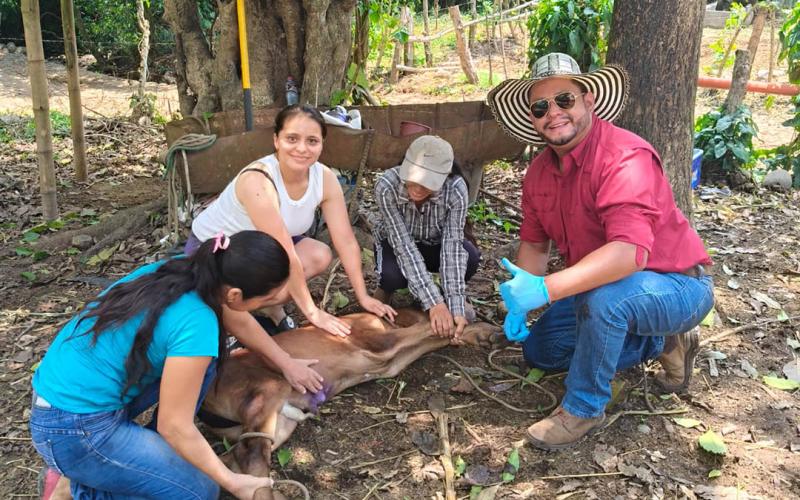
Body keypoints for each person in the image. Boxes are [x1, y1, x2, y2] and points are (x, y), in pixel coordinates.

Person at [486, 53, 715, 450]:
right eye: (540, 107)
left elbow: (629, 255)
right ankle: (663, 343)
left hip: (677, 285)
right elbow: (536, 245)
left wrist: (546, 290)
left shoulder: (625, 156)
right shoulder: (539, 173)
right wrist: (522, 297)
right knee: (541, 350)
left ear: (588, 100)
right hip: (601, 289)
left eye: (564, 100)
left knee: (606, 301)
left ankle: (584, 407)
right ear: (532, 118)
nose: (553, 113)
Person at [30, 231, 294, 499]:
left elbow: (236, 319)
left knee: (208, 360)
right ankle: (78, 488)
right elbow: (174, 426)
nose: (271, 303)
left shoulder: (188, 270)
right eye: (267, 300)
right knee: (199, 492)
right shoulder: (198, 322)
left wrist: (287, 363)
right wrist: (233, 481)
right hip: (74, 428)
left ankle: (133, 463)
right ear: (235, 295)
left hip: (61, 397)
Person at [188, 104, 395, 338]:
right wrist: (313, 313)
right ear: (276, 140)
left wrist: (363, 296)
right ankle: (232, 317)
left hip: (259, 253)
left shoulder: (324, 178)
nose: (302, 149)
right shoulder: (259, 181)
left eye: (312, 141)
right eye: (292, 139)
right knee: (226, 310)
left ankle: (268, 306)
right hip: (217, 253)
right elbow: (287, 253)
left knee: (320, 254)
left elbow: (346, 241)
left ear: (322, 145)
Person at [372, 135, 481, 339]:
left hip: (435, 244)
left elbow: (451, 247)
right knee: (391, 274)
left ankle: (448, 296)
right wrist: (434, 303)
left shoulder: (456, 189)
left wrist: (455, 304)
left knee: (470, 257)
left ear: (444, 176)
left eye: (428, 183)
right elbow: (403, 246)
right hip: (397, 244)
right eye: (414, 178)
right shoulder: (387, 185)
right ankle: (386, 291)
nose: (418, 188)